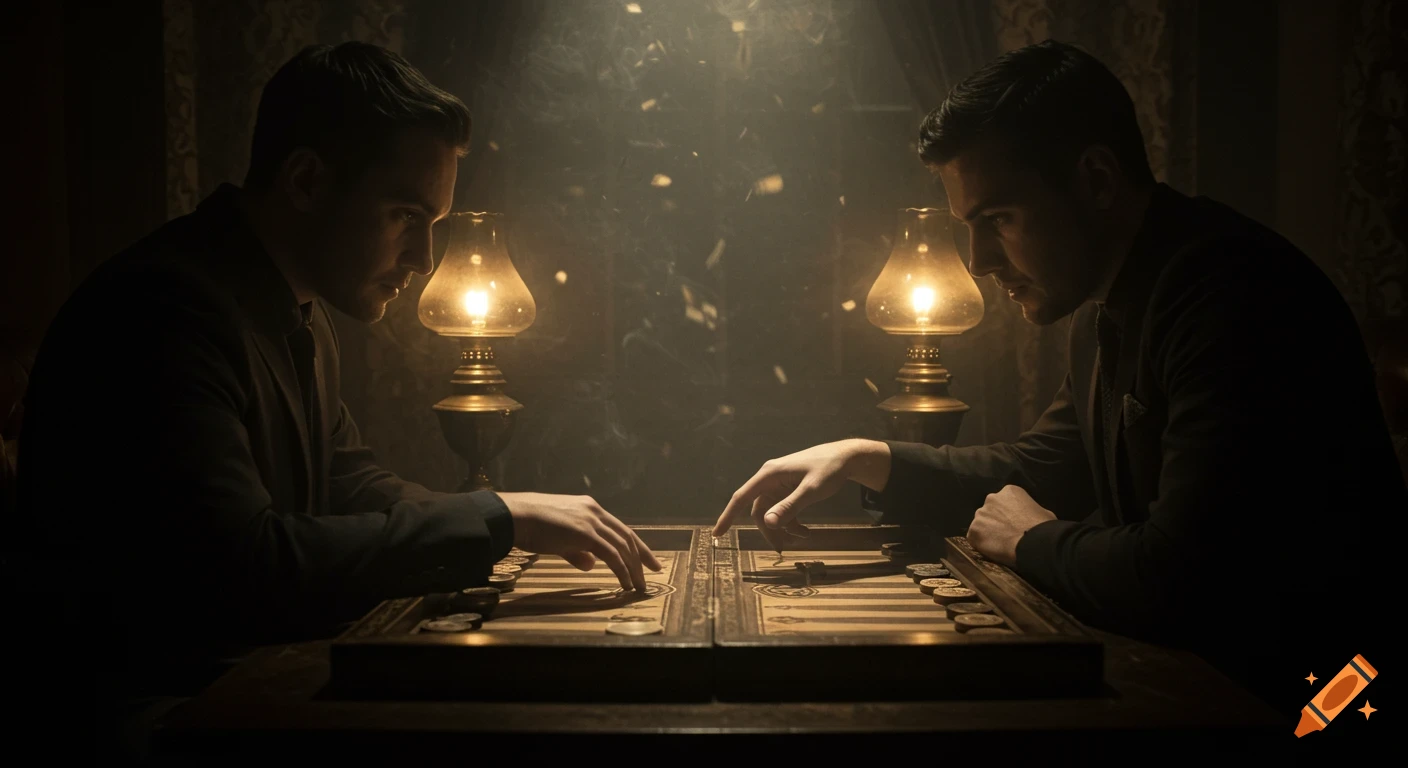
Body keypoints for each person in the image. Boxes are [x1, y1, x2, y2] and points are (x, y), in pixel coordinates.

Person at [714, 40, 1401, 714]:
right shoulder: (1109, 300)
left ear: (1097, 180)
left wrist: (1032, 540)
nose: (980, 260)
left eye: (999, 219)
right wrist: (869, 457)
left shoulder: (1230, 295)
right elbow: (1040, 472)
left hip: (1330, 706)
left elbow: (1182, 577)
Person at [12, 42, 658, 753]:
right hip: (152, 723)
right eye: (405, 216)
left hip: (240, 688)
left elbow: (350, 483)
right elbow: (244, 566)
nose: (421, 258)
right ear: (306, 180)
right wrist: (495, 518)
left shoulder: (297, 311)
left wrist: (509, 519)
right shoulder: (164, 309)